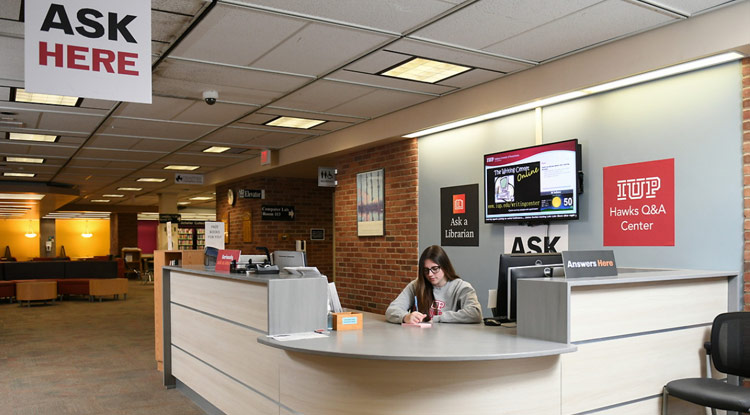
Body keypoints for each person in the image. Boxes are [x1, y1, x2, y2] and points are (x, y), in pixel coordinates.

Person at [386, 245, 482, 324]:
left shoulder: (461, 287)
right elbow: (391, 310)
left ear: (444, 266)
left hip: (451, 341)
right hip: (421, 340)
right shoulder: (417, 285)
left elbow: (475, 313)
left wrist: (437, 318)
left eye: (435, 269)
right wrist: (405, 317)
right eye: (426, 270)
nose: (430, 274)